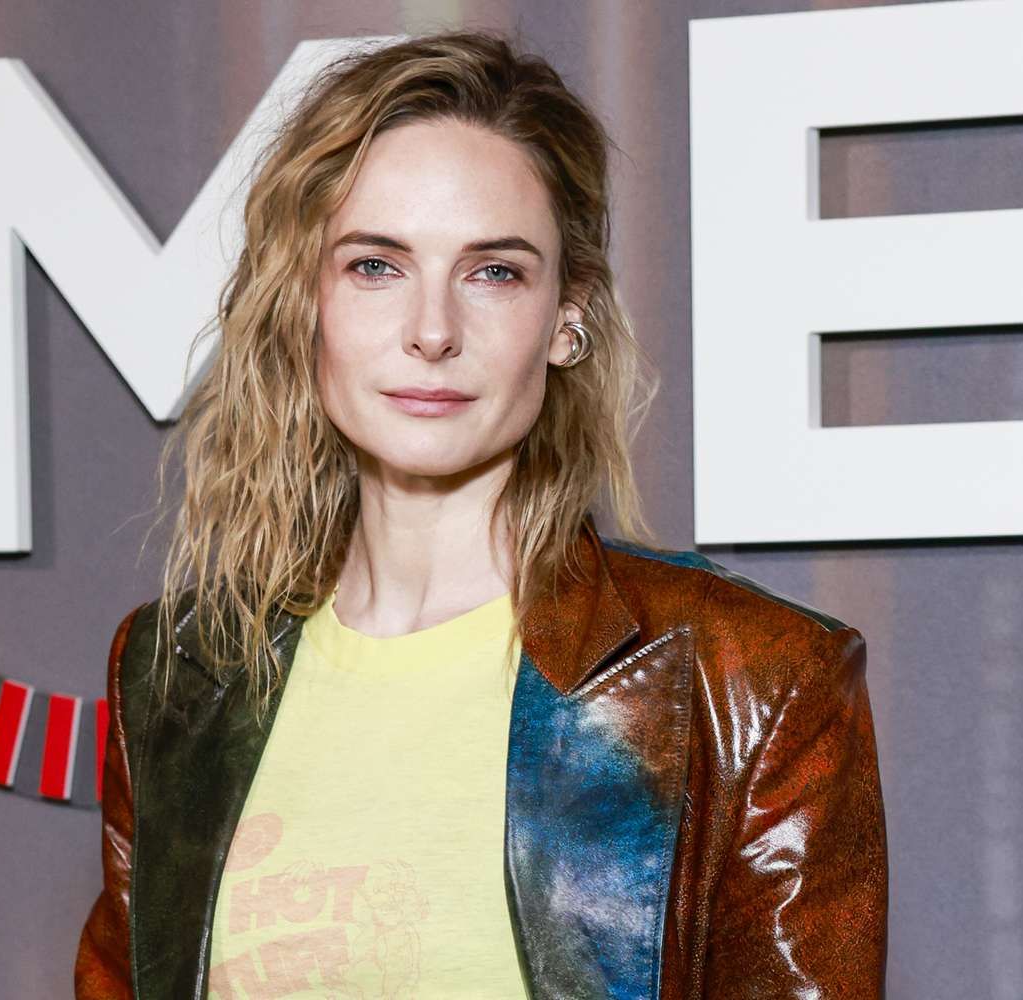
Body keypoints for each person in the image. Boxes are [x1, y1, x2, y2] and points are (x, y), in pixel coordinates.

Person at [75, 28, 886, 1000]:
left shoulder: (757, 682)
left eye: (494, 271)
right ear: (305, 301)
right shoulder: (177, 672)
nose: (432, 331)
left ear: (567, 316)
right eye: (375, 265)